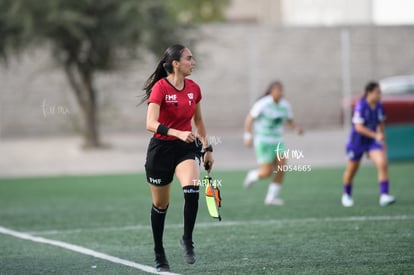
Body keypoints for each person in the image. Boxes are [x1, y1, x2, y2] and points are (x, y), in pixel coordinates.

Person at [142, 44, 214, 272]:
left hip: (185, 149)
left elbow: (199, 121)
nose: (193, 63)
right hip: (161, 151)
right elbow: (150, 124)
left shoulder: (194, 88)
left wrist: (207, 147)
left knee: (192, 190)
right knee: (160, 204)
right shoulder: (160, 88)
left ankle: (187, 239)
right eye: (189, 58)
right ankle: (159, 251)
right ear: (175, 63)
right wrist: (177, 132)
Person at [243, 81, 303, 205]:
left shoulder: (285, 105)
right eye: (277, 90)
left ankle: (270, 198)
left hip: (278, 141)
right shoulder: (263, 104)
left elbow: (290, 120)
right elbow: (249, 119)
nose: (280, 92)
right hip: (263, 141)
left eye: (281, 90)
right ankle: (252, 175)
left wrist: (297, 129)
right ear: (271, 91)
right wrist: (248, 136)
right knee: (267, 172)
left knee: (281, 167)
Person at [342, 81, 396, 207]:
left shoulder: (379, 106)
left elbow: (381, 123)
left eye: (380, 93)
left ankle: (384, 195)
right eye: (377, 93)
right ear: (369, 93)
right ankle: (347, 195)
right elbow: (358, 128)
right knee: (351, 171)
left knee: (382, 163)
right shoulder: (361, 106)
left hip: (372, 142)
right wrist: (376, 135)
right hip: (357, 143)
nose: (379, 95)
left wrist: (381, 139)